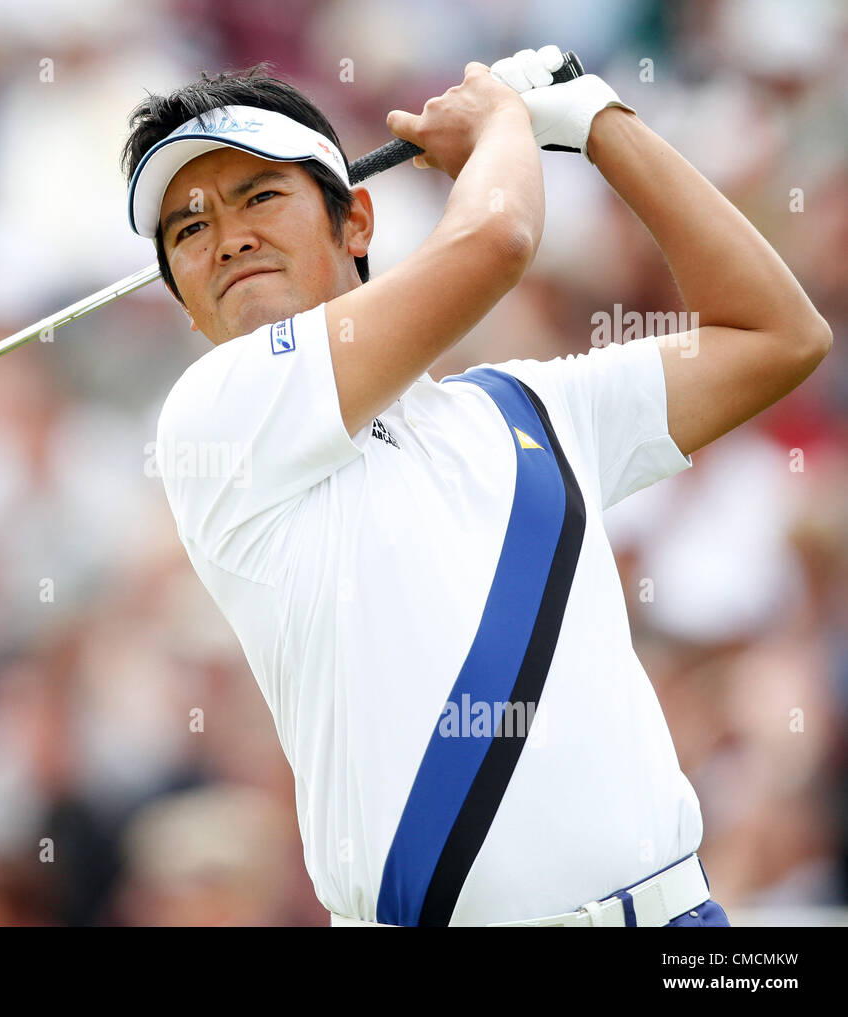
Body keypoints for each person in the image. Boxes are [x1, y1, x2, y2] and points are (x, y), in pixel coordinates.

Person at [120, 47, 832, 926]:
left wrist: (602, 126)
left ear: (357, 224)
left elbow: (778, 334)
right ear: (186, 305)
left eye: (260, 197)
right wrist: (503, 125)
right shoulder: (213, 416)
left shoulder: (528, 406)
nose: (226, 237)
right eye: (189, 230)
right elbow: (497, 238)